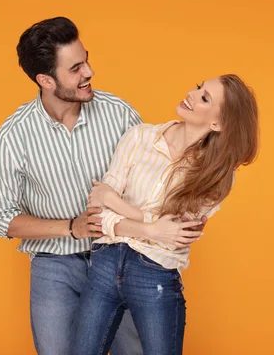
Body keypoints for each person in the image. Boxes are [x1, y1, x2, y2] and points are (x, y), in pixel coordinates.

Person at [0, 17, 204, 355]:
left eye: (86, 59)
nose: (89, 72)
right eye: (75, 68)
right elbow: (2, 219)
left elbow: (158, 180)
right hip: (54, 266)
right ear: (45, 79)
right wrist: (71, 227)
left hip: (124, 256)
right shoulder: (13, 136)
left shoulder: (120, 115)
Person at [72, 74, 259, 355]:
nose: (191, 94)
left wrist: (117, 203)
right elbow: (99, 214)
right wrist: (150, 229)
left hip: (154, 274)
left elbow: (173, 235)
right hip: (104, 266)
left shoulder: (218, 177)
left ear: (217, 123)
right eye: (199, 88)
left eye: (205, 98)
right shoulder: (139, 137)